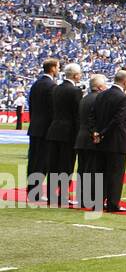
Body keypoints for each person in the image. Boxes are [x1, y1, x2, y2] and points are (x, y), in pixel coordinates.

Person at [91, 70, 126, 213]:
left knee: (101, 172)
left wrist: (96, 132)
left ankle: (98, 201)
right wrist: (102, 132)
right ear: (125, 81)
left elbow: (93, 115)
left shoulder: (101, 95)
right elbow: (117, 120)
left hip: (101, 141)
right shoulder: (123, 98)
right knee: (115, 174)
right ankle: (113, 203)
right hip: (116, 141)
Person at [46, 63, 83, 209]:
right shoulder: (75, 91)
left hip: (54, 131)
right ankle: (63, 196)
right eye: (79, 74)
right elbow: (77, 116)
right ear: (75, 75)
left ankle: (51, 196)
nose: (80, 76)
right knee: (66, 166)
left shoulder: (55, 89)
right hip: (68, 134)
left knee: (53, 165)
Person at [25, 57, 58, 204]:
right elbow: (52, 110)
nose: (58, 70)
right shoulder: (51, 86)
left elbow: (32, 106)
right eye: (57, 67)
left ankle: (32, 191)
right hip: (45, 129)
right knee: (42, 162)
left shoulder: (36, 84)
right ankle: (36, 193)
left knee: (33, 161)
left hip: (35, 127)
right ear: (52, 68)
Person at [74, 74, 107, 211]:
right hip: (92, 139)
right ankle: (92, 198)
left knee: (83, 170)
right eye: (104, 84)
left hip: (81, 138)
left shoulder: (84, 98)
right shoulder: (99, 99)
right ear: (99, 86)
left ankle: (82, 198)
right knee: (94, 170)